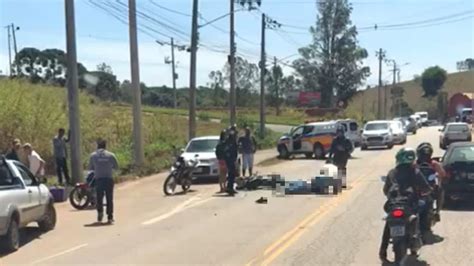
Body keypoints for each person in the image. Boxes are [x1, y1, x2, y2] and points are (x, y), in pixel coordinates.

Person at [379, 147, 432, 262]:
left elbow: (385, 190)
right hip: (409, 205)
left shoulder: (392, 172)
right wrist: (426, 192)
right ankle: (416, 237)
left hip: (392, 205)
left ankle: (383, 251)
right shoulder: (415, 171)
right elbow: (426, 188)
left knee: (389, 222)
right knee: (418, 213)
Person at [88, 139, 119, 224]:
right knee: (109, 198)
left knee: (99, 198)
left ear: (98, 146)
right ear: (105, 146)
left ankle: (100, 214)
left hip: (99, 179)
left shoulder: (93, 156)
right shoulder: (111, 155)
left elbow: (90, 168)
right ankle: (110, 217)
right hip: (108, 179)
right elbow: (116, 167)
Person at [416, 142, 446, 224]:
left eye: (426, 155)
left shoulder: (434, 164)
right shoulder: (415, 164)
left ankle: (437, 212)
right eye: (423, 155)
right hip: (417, 187)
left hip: (430, 187)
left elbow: (442, 174)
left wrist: (437, 176)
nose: (425, 157)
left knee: (440, 190)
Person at [224, 126, 239, 196]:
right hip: (230, 159)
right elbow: (227, 150)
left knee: (233, 174)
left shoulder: (234, 139)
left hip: (233, 158)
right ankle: (229, 187)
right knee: (231, 173)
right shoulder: (229, 140)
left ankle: (231, 187)